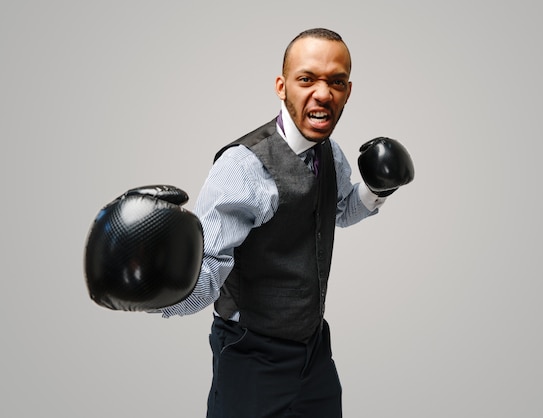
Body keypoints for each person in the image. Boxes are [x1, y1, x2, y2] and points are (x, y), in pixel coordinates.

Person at [153, 28, 412, 417]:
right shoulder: (243, 167)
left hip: (313, 351)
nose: (323, 94)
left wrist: (377, 189)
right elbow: (207, 274)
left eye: (336, 82)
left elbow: (338, 210)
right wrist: (154, 288)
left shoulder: (330, 152)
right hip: (251, 355)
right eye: (307, 79)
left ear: (348, 90)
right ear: (282, 85)